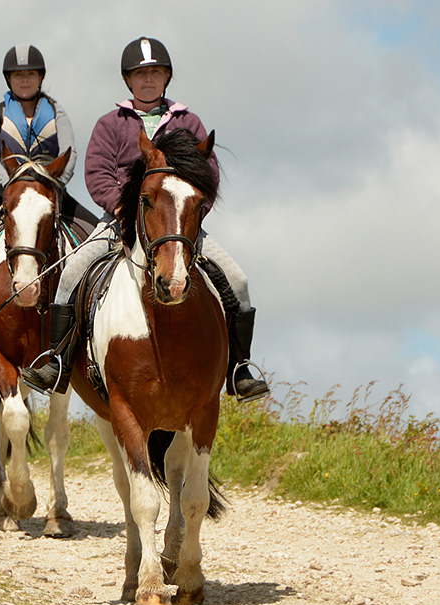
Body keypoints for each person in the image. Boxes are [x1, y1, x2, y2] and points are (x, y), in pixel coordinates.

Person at [22, 37, 269, 402]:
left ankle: (238, 368)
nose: (148, 80)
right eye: (141, 74)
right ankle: (56, 362)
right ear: (129, 81)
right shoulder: (111, 123)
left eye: (155, 73)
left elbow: (208, 175)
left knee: (238, 282)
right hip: (119, 222)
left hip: (179, 228)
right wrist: (120, 206)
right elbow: (97, 173)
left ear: (166, 77)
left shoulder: (189, 121)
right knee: (71, 275)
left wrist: (188, 216)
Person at [0, 45, 98, 350]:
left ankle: (90, 317)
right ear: (9, 80)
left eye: (30, 74)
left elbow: (70, 153)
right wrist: (11, 183)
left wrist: (52, 184)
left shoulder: (57, 112)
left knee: (93, 236)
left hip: (46, 192)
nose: (25, 80)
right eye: (18, 75)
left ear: (40, 77)